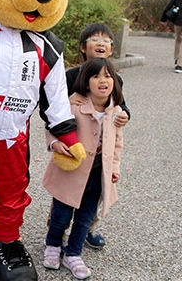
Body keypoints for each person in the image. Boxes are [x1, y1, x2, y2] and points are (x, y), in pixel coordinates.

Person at [42, 58, 124, 279]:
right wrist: (54, 143)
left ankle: (74, 253)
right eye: (96, 76)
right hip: (71, 172)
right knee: (61, 213)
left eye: (108, 76)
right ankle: (53, 245)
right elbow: (54, 125)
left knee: (86, 216)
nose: (103, 80)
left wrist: (115, 167)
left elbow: (117, 144)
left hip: (98, 174)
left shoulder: (115, 113)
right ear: (86, 83)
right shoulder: (74, 106)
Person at [62, 22, 130, 249]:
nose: (101, 43)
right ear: (83, 47)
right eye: (95, 39)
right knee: (66, 192)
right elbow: (53, 109)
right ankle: (58, 229)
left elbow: (121, 106)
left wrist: (125, 116)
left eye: (106, 41)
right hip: (75, 149)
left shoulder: (115, 79)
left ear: (111, 50)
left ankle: (88, 228)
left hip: (100, 154)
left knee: (94, 194)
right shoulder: (71, 77)